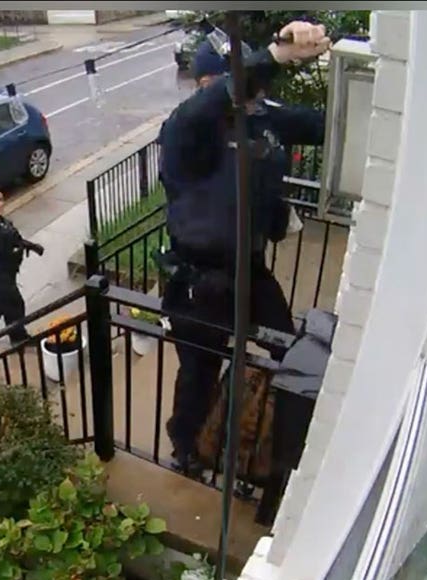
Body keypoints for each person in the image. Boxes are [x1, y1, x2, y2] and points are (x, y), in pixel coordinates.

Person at [155, 21, 331, 474]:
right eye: (232, 84)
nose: (245, 96)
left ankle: (281, 450)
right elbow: (216, 102)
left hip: (248, 270)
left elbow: (326, 126)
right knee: (198, 370)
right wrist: (275, 57)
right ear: (206, 86)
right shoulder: (186, 130)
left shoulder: (259, 117)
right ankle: (186, 448)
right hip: (199, 279)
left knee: (289, 352)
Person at [0, 189, 44, 346]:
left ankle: (18, 336)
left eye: (1, 199)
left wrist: (31, 246)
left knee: (12, 306)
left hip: (7, 275)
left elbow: (14, 239)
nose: (0, 204)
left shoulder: (0, 222)